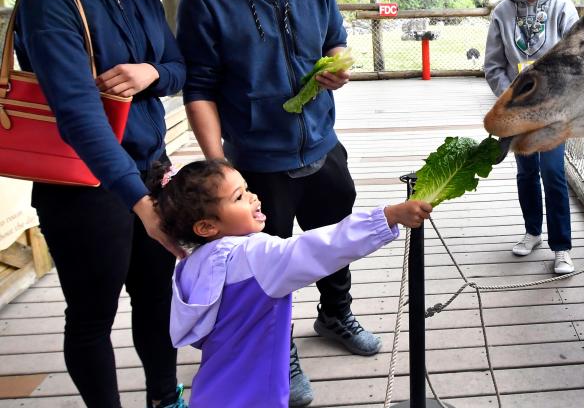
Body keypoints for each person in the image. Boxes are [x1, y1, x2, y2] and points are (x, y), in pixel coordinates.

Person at [176, 0, 365, 405]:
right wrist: (219, 167)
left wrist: (338, 71)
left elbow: (335, 43)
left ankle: (336, 315)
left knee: (334, 244)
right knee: (265, 266)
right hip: (256, 159)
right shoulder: (203, 0)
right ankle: (282, 352)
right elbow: (201, 87)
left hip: (322, 145)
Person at [13, 0, 187, 407]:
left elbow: (182, 68)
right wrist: (139, 203)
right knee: (92, 315)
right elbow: (79, 115)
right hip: (84, 187)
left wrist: (151, 72)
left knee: (157, 297)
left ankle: (166, 398)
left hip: (153, 172)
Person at [150, 159, 432, 407]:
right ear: (207, 227)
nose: (253, 198)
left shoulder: (191, 265)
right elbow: (321, 248)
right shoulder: (254, 257)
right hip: (257, 392)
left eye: (247, 188)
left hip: (213, 388)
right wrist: (387, 217)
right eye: (238, 197)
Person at [483, 0, 580, 275]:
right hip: (520, 111)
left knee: (552, 172)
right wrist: (511, 96)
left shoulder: (564, 8)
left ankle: (562, 247)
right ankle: (533, 232)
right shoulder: (502, 11)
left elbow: (577, 61)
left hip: (555, 109)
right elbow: (493, 64)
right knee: (525, 172)